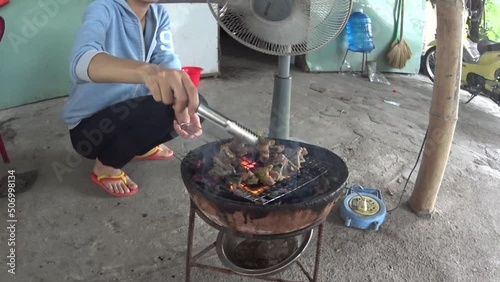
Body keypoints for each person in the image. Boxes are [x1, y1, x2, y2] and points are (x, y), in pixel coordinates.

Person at [61, 0, 204, 197]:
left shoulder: (159, 14)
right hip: (90, 131)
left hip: (130, 112)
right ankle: (106, 167)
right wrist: (146, 71)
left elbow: (165, 56)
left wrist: (179, 94)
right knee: (161, 113)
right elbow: (81, 60)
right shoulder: (103, 8)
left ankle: (140, 146)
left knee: (195, 105)